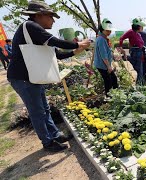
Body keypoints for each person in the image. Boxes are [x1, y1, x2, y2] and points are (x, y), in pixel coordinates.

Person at [7, 0, 90, 152]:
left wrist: (73, 52)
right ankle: (47, 142)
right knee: (37, 111)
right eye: (51, 16)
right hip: (23, 78)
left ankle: (54, 134)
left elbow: (56, 54)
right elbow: (56, 42)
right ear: (39, 15)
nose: (53, 20)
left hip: (33, 76)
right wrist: (78, 44)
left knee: (44, 108)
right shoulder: (30, 26)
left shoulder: (35, 33)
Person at [119, 18, 146, 85]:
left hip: (140, 52)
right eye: (141, 26)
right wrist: (121, 48)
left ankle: (128, 58)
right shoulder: (131, 32)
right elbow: (121, 38)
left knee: (141, 70)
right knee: (140, 71)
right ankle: (138, 86)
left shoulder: (138, 33)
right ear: (138, 26)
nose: (142, 27)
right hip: (136, 51)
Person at [94, 18, 118, 97]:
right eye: (107, 30)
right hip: (102, 65)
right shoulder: (101, 40)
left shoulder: (103, 38)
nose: (109, 32)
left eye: (110, 30)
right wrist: (108, 66)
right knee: (109, 82)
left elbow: (107, 51)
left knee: (113, 80)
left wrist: (113, 56)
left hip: (103, 64)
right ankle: (110, 98)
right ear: (102, 29)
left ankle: (114, 96)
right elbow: (103, 55)